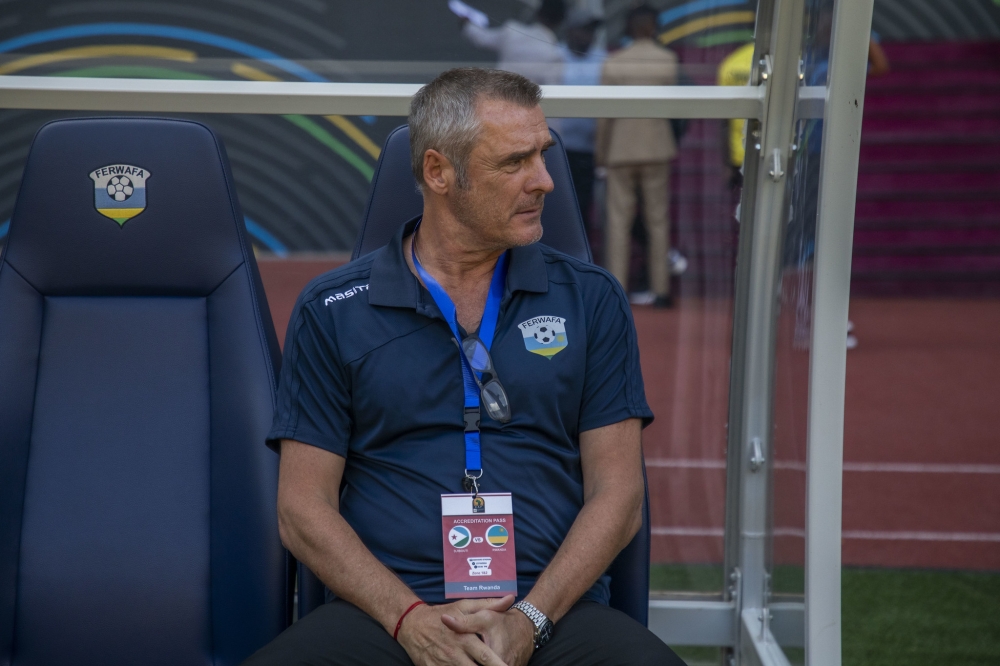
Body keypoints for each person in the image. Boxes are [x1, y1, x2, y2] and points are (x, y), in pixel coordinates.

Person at [243, 68, 683, 666]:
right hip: (385, 615)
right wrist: (410, 621)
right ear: (438, 172)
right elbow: (302, 509)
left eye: (544, 155)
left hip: (553, 614)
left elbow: (619, 494)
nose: (546, 182)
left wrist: (530, 621)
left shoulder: (591, 298)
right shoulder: (333, 310)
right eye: (513, 163)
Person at [596, 5, 679, 309]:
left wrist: (601, 155)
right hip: (657, 147)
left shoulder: (614, 62)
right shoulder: (668, 60)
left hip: (620, 149)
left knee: (618, 221)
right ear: (653, 27)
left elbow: (605, 116)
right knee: (658, 220)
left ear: (630, 28)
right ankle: (661, 289)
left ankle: (618, 287)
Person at [554, 9, 606, 232]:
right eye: (585, 30)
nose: (589, 35)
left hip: (589, 151)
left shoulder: (604, 60)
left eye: (592, 31)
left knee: (582, 209)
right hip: (556, 149)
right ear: (571, 31)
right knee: (555, 208)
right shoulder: (555, 57)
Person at [460, 0, 566, 85]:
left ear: (538, 13)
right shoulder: (555, 55)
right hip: (526, 106)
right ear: (561, 21)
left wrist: (467, 24)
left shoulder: (511, 32)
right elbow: (553, 92)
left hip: (498, 99)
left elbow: (482, 38)